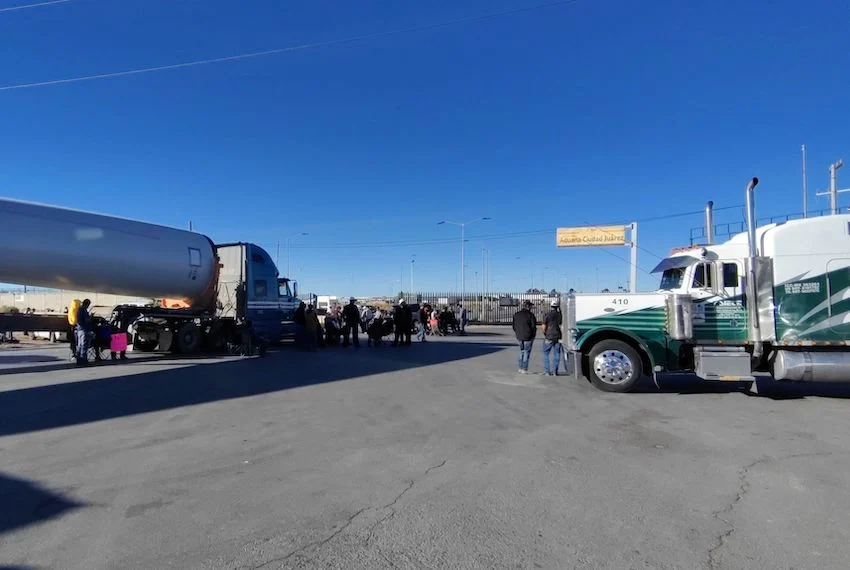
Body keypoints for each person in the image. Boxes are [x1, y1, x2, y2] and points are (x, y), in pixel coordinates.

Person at [512, 300, 537, 374]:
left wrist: (517, 333)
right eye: (530, 306)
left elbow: (514, 326)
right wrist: (533, 335)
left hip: (519, 336)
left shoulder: (516, 314)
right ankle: (524, 368)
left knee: (521, 351)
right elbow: (533, 327)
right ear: (528, 306)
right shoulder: (530, 315)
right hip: (528, 336)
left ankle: (520, 367)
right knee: (526, 352)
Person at [541, 299, 563, 376]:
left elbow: (543, 326)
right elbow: (560, 323)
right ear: (557, 306)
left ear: (551, 306)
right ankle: (555, 371)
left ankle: (547, 371)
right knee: (557, 353)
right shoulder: (559, 315)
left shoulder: (548, 314)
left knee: (545, 353)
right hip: (558, 335)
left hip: (549, 335)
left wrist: (545, 333)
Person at [74, 299, 92, 366]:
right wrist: (90, 317)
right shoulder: (83, 310)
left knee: (79, 345)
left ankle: (79, 360)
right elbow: (86, 320)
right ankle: (84, 360)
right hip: (84, 329)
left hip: (79, 329)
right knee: (84, 345)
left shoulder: (79, 309)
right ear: (87, 304)